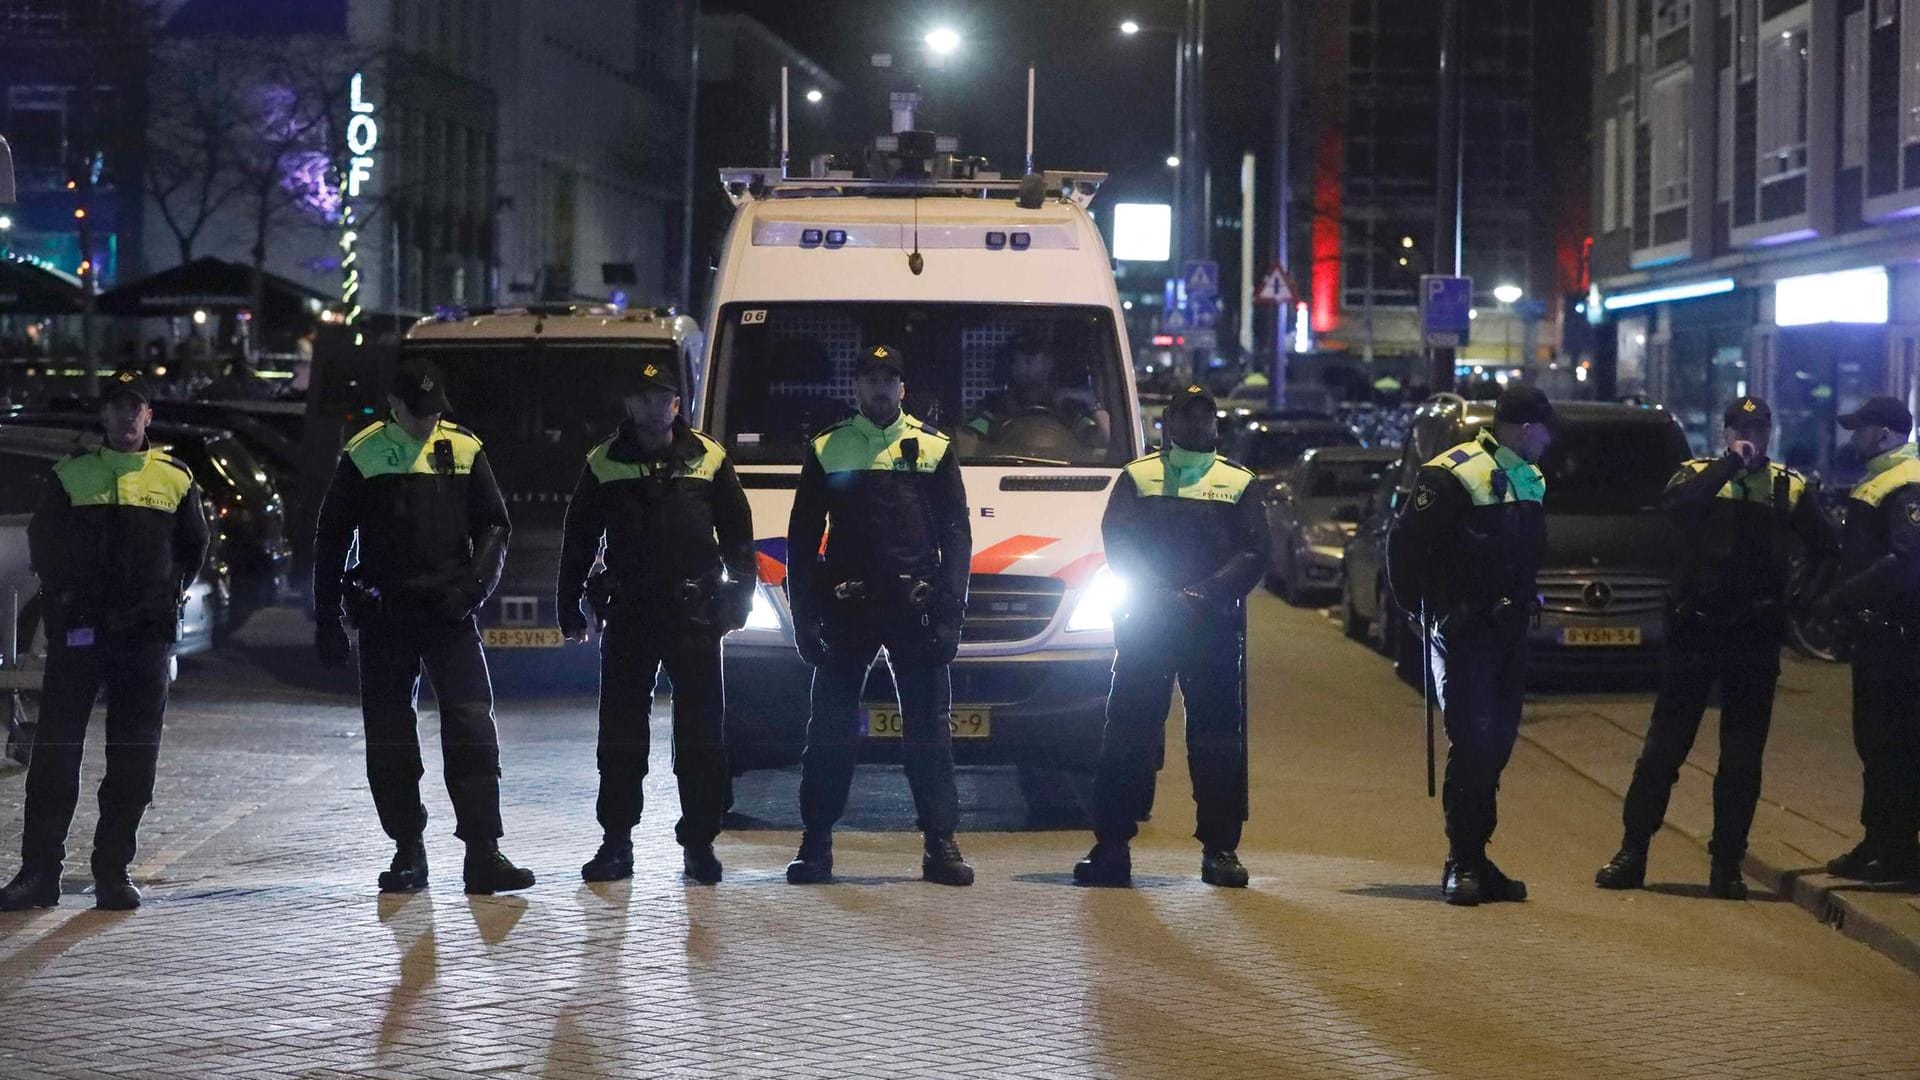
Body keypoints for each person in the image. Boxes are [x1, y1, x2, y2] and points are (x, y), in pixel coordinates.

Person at [311, 358, 535, 896]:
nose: (428, 422)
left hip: (450, 614)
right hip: (386, 616)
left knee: (473, 730)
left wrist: (472, 591)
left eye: (435, 412)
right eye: (419, 412)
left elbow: (495, 525)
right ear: (394, 404)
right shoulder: (364, 454)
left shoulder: (463, 448)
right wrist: (327, 619)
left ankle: (484, 852)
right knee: (389, 736)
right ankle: (407, 851)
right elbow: (331, 538)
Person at [1595, 396, 1827, 899]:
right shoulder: (1697, 474)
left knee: (1741, 759)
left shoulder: (1788, 487)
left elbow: (1827, 550)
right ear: (1725, 431)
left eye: (1760, 428)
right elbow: (1676, 511)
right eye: (1742, 428)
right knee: (1663, 751)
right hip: (1695, 632)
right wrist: (1728, 465)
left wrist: (1799, 601)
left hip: (1753, 637)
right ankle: (1632, 852)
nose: (1752, 436)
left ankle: (1727, 865)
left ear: (1771, 431)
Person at [0, 372, 208, 911]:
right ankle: (39, 873)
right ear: (105, 416)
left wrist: (167, 599)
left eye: (133, 408)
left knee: (133, 759)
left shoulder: (175, 478)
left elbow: (193, 549)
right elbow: (44, 544)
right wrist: (67, 599)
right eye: (116, 408)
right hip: (81, 634)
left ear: (147, 416)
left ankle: (113, 872)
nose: (124, 418)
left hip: (143, 638)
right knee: (55, 757)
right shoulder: (71, 475)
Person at [556, 360, 755, 885]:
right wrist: (567, 602)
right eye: (642, 397)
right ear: (630, 405)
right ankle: (616, 843)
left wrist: (740, 598)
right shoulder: (603, 462)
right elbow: (578, 540)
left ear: (675, 404)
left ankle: (699, 844)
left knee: (701, 735)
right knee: (620, 736)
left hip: (694, 615)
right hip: (630, 617)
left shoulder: (709, 458)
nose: (651, 406)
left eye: (661, 397)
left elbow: (738, 536)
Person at [784, 343, 974, 886]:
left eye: (889, 380)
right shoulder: (828, 448)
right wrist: (804, 619)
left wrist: (949, 615)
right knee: (829, 732)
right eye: (870, 380)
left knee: (929, 733)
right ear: (857, 388)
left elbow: (956, 536)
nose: (880, 390)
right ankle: (815, 845)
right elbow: (801, 542)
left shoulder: (934, 448)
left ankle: (941, 845)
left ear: (902, 389)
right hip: (849, 610)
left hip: (914, 612)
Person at [1072, 383, 1268, 888]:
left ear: (1215, 424)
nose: (1197, 426)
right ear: (1169, 424)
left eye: (1206, 417)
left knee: (1218, 741)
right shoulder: (1138, 478)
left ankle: (1221, 850)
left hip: (1211, 630)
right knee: (1128, 737)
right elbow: (1119, 543)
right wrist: (1162, 595)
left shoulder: (1238, 482)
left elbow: (1253, 552)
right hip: (1150, 626)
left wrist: (1203, 594)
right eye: (1187, 417)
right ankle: (1112, 847)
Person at [1386, 383, 1553, 906]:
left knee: (1496, 746)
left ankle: (1477, 858)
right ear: (1527, 430)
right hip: (1468, 634)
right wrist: (1422, 614)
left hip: (1510, 633)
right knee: (1474, 743)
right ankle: (1462, 861)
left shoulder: (1531, 477)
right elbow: (1403, 545)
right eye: (1546, 432)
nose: (1549, 443)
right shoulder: (1451, 473)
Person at [1811, 395, 1920, 882]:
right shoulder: (1884, 476)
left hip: (1896, 638)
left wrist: (1841, 598)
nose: (1853, 436)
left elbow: (1905, 561)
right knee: (1878, 743)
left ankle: (1893, 849)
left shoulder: (1905, 481)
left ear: (1883, 432)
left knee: (1889, 743)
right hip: (1881, 634)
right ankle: (1881, 841)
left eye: (1861, 428)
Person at [956, 335, 1111, 456]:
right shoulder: (994, 406)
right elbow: (967, 443)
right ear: (1011, 365)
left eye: (1034, 356)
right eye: (1020, 357)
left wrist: (1091, 404)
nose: (1027, 363)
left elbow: (1102, 439)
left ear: (1049, 363)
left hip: (1059, 476)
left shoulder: (1065, 406)